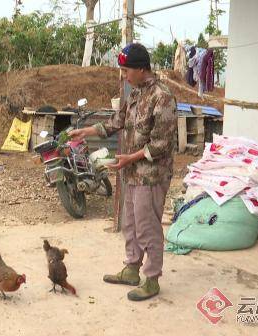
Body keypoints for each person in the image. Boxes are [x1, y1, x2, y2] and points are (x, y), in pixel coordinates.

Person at [68, 43, 177, 301]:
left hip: (151, 174)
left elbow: (162, 144)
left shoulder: (163, 97)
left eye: (126, 70)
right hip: (131, 171)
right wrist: (86, 131)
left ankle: (151, 279)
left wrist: (131, 157)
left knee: (147, 226)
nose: (123, 75)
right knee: (130, 223)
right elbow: (117, 122)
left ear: (142, 69)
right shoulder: (135, 93)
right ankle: (131, 268)